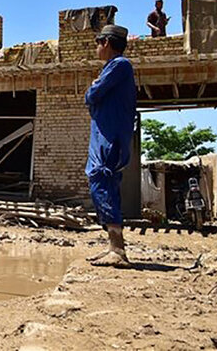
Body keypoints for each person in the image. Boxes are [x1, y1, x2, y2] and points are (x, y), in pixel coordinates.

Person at [84, 25, 137, 268]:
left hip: (110, 137)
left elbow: (92, 95)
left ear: (106, 43)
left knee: (101, 180)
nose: (96, 48)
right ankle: (114, 248)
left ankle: (118, 250)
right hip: (106, 135)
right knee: (105, 184)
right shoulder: (113, 68)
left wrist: (93, 87)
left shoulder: (119, 65)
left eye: (98, 43)